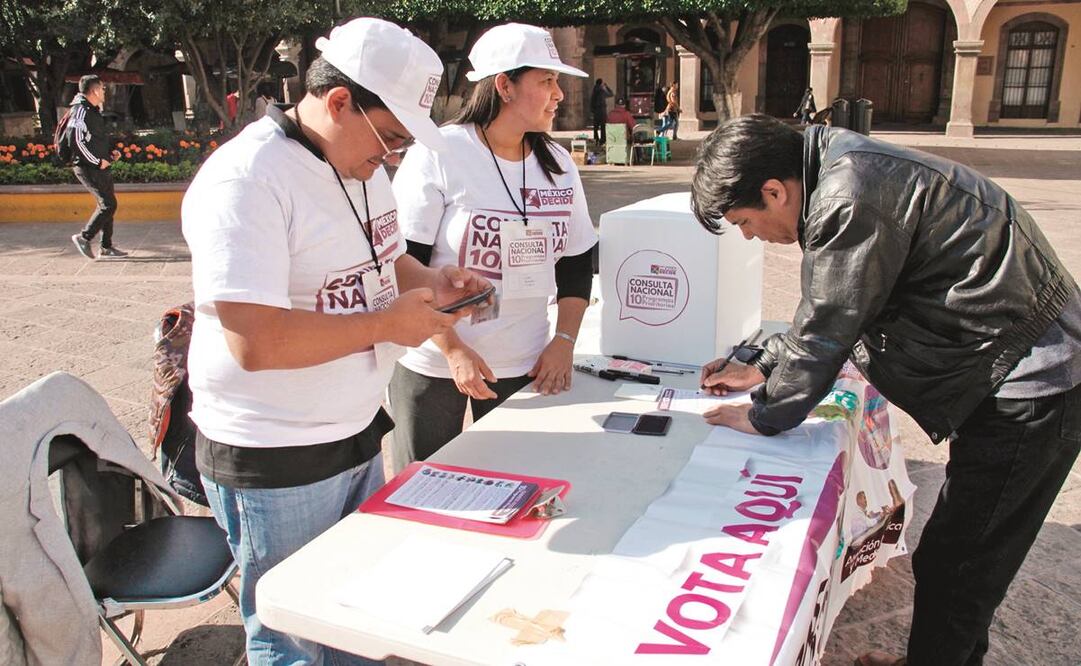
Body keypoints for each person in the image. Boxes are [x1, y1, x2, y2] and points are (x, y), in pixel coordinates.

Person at [691, 114, 1081, 666]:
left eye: (746, 221)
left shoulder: (846, 198)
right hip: (1018, 361)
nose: (752, 236)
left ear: (775, 191)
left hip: (1034, 381)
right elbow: (838, 307)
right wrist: (765, 362)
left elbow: (830, 324)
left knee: (960, 565)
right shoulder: (838, 168)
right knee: (964, 559)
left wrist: (763, 415)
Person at [180, 18, 490, 665]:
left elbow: (384, 257)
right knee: (291, 635)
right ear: (341, 102)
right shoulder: (247, 180)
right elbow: (254, 343)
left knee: (352, 614)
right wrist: (382, 326)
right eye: (392, 138)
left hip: (348, 433)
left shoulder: (361, 168)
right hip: (274, 453)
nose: (394, 157)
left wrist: (434, 279)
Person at [389, 23, 598, 464]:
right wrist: (453, 349)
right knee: (424, 494)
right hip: (435, 365)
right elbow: (402, 264)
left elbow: (577, 262)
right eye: (546, 81)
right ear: (504, 85)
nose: (558, 94)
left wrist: (564, 340)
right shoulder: (439, 153)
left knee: (517, 488)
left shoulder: (559, 164)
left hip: (527, 366)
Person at [68, 75, 128, 260]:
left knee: (107, 204)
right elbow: (75, 140)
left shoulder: (92, 110)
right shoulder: (79, 111)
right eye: (102, 88)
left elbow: (95, 138)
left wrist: (110, 153)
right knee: (108, 204)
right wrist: (96, 161)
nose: (104, 91)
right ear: (94, 91)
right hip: (88, 167)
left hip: (101, 165)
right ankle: (84, 237)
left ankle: (106, 247)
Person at [590, 78, 613, 144]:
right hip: (602, 111)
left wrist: (592, 110)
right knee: (603, 127)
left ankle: (596, 139)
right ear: (601, 83)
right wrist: (606, 86)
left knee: (595, 127)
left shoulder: (594, 90)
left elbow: (592, 100)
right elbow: (611, 94)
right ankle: (602, 140)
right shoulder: (602, 90)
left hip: (596, 111)